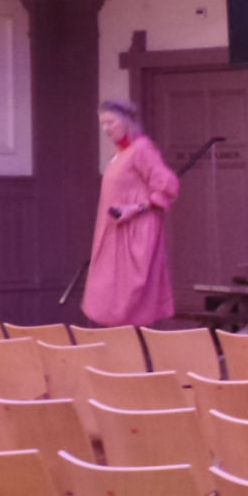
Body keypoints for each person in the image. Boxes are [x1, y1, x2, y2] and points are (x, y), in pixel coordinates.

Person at [81, 98, 180, 327]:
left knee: (127, 299)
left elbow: (168, 186)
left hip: (135, 233)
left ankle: (131, 343)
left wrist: (136, 208)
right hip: (114, 232)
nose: (106, 129)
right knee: (106, 293)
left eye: (111, 122)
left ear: (126, 121)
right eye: (102, 123)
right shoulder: (120, 153)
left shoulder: (142, 149)